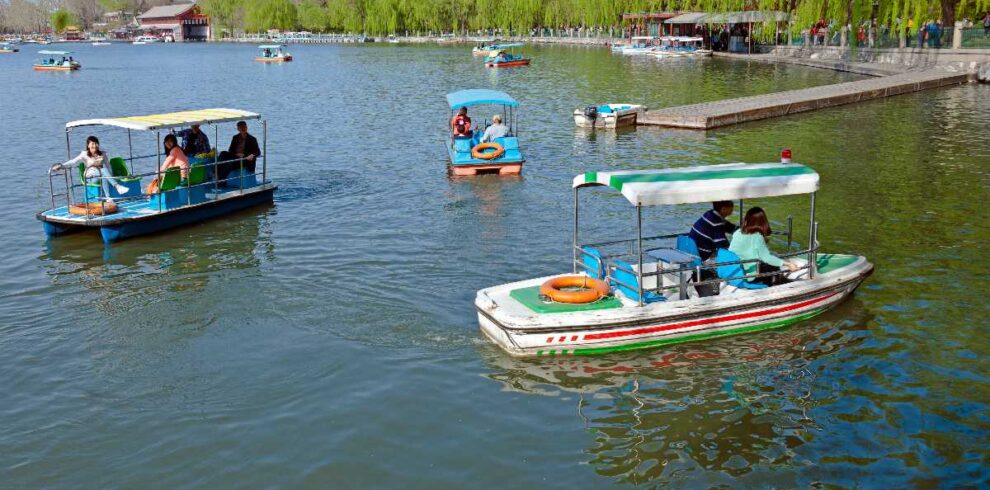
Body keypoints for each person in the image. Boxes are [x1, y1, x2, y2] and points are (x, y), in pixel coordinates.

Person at [729, 207, 799, 287]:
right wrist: (788, 264)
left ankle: (777, 280)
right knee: (772, 264)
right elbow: (767, 258)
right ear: (762, 221)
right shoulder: (757, 236)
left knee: (767, 263)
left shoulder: (737, 232)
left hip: (736, 270)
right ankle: (778, 284)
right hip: (748, 276)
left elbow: (745, 247)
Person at [50, 135, 129, 200]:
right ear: (88, 145)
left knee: (104, 174)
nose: (94, 146)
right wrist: (62, 166)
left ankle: (108, 198)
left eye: (96, 144)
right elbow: (73, 162)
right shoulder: (84, 155)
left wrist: (111, 177)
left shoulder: (102, 154)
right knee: (103, 171)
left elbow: (108, 166)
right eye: (92, 144)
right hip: (90, 177)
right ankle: (117, 187)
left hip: (100, 174)